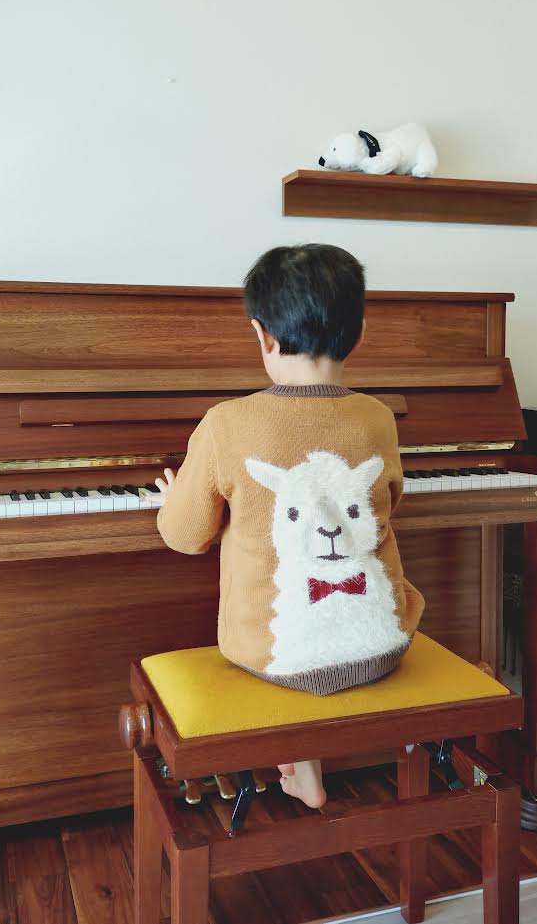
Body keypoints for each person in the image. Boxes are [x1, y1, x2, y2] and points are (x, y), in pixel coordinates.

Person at [147, 244, 424, 809]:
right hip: (381, 644)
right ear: (359, 334)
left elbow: (184, 535)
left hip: (272, 654)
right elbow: (387, 504)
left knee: (281, 610)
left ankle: (294, 762)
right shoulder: (379, 418)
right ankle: (305, 767)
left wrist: (176, 499)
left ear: (263, 335)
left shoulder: (227, 422)